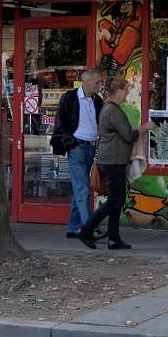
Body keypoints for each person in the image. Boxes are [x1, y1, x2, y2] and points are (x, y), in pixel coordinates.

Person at [77, 77, 155, 250]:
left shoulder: (110, 109)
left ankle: (113, 238)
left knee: (117, 200)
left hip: (113, 160)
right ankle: (87, 229)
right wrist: (145, 127)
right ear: (118, 91)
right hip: (113, 161)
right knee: (114, 200)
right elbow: (128, 135)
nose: (127, 93)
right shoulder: (112, 110)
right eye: (125, 90)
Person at [52, 69, 104, 239]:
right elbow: (60, 124)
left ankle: (74, 227)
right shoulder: (69, 98)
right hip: (77, 148)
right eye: (97, 82)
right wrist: (71, 144)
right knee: (83, 188)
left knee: (79, 188)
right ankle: (89, 228)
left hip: (91, 148)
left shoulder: (98, 101)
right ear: (87, 82)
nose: (99, 85)